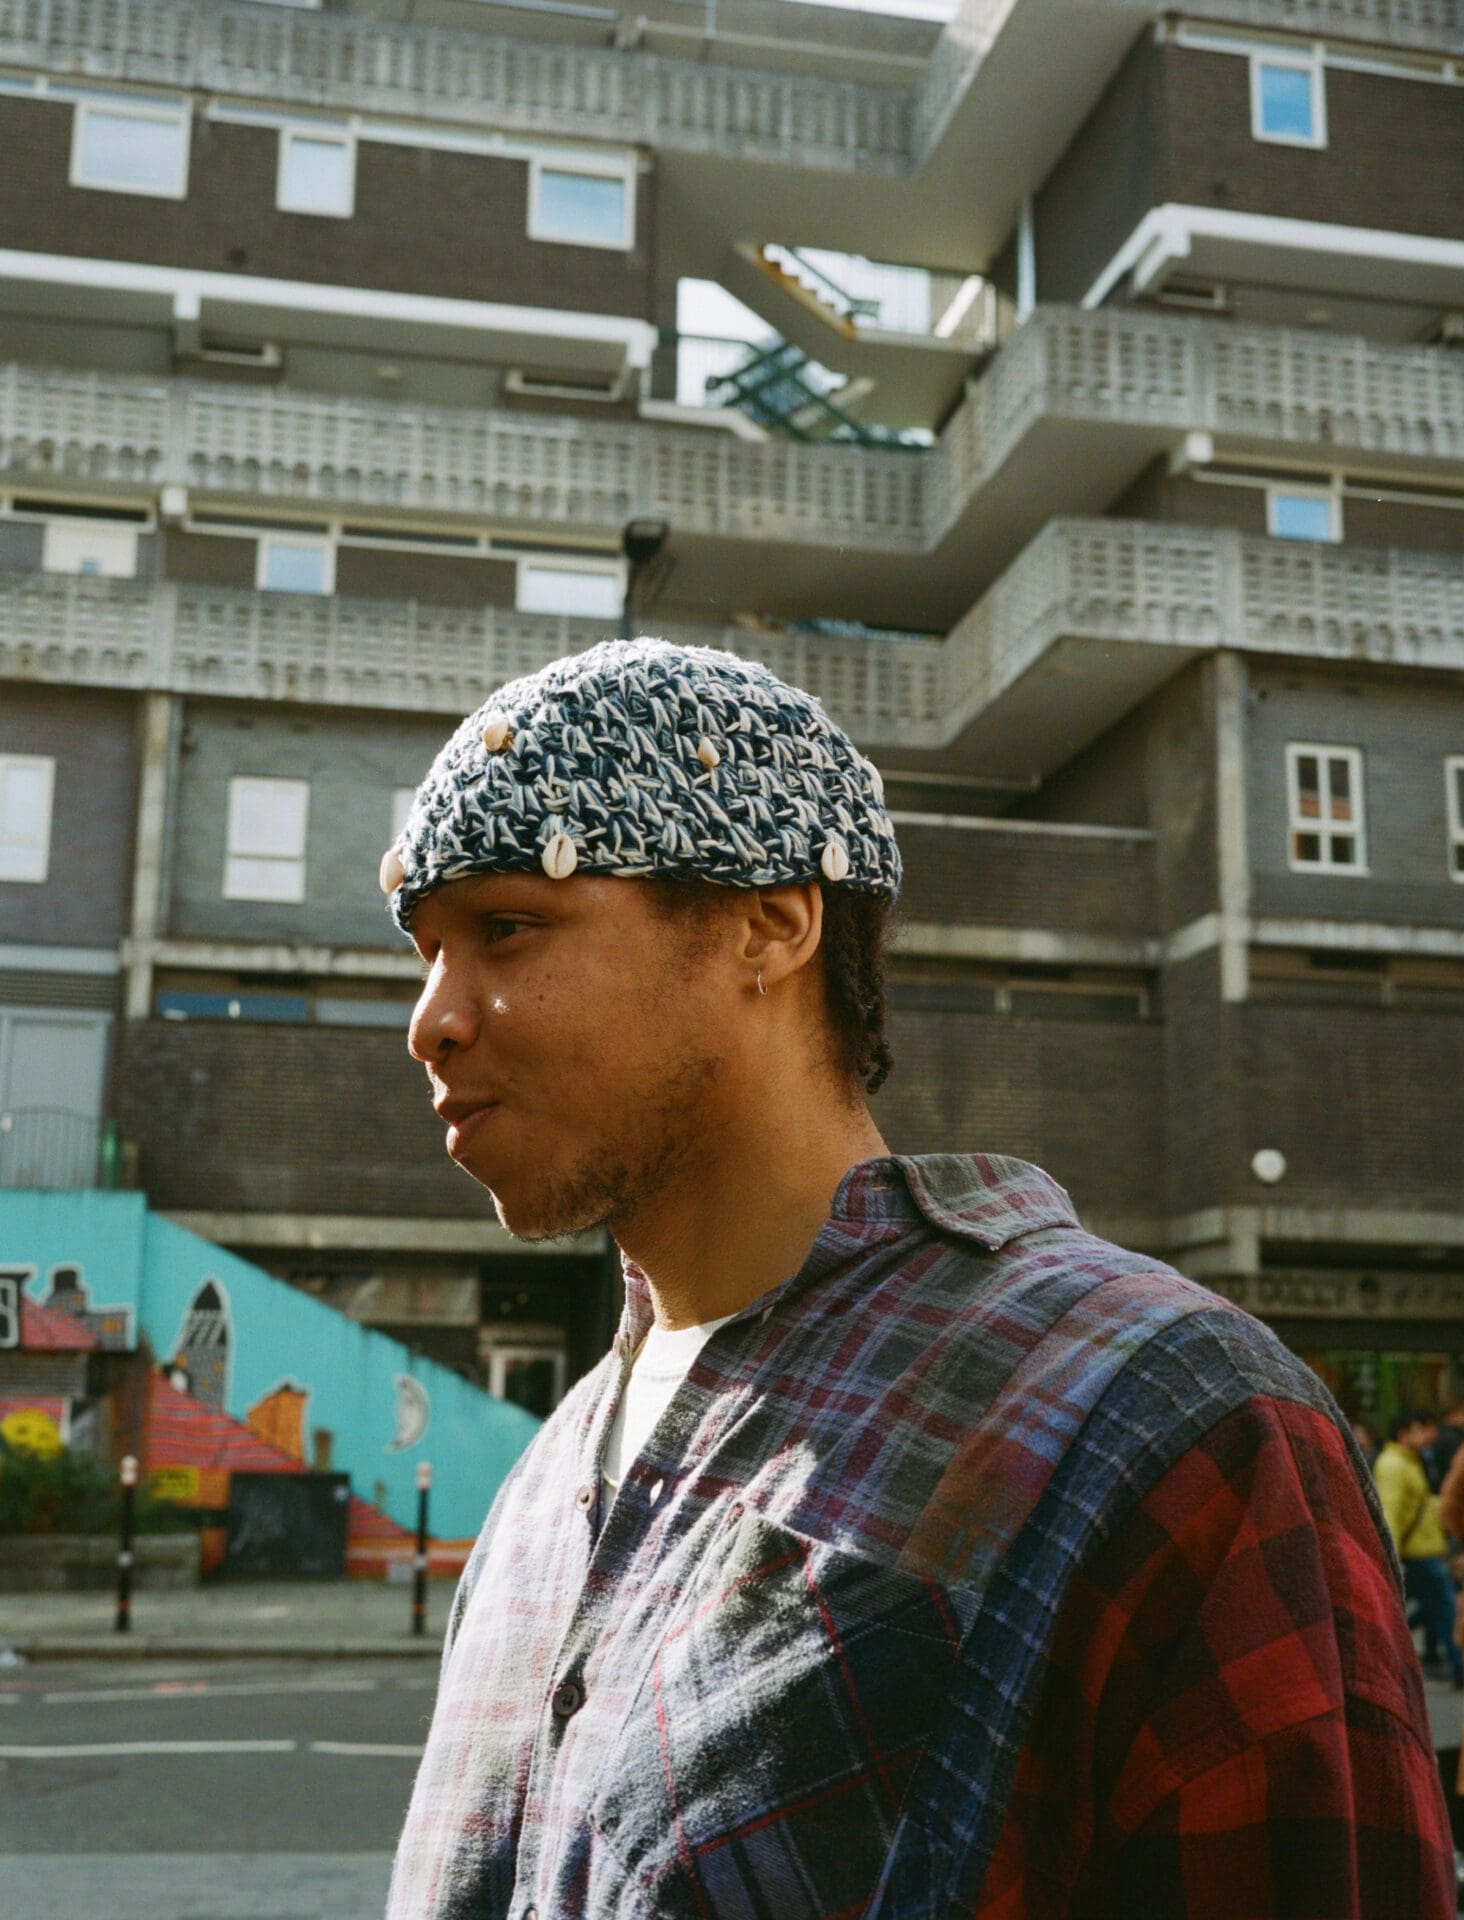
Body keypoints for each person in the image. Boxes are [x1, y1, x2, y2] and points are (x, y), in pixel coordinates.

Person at [382, 638, 1452, 1919]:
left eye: (507, 927)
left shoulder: (1178, 1423)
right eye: (425, 950)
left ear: (769, 924)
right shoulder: (546, 1481)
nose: (431, 1019)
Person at [1377, 1409, 1463, 1688]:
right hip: (1418, 1553)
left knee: (1429, 1609)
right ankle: (1460, 1667)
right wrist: (1390, 1556)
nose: (1425, 1436)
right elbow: (1390, 1512)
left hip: (1424, 1550)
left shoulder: (1409, 1461)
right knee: (1445, 1610)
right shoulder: (1394, 1465)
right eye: (1416, 1430)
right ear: (1403, 1434)